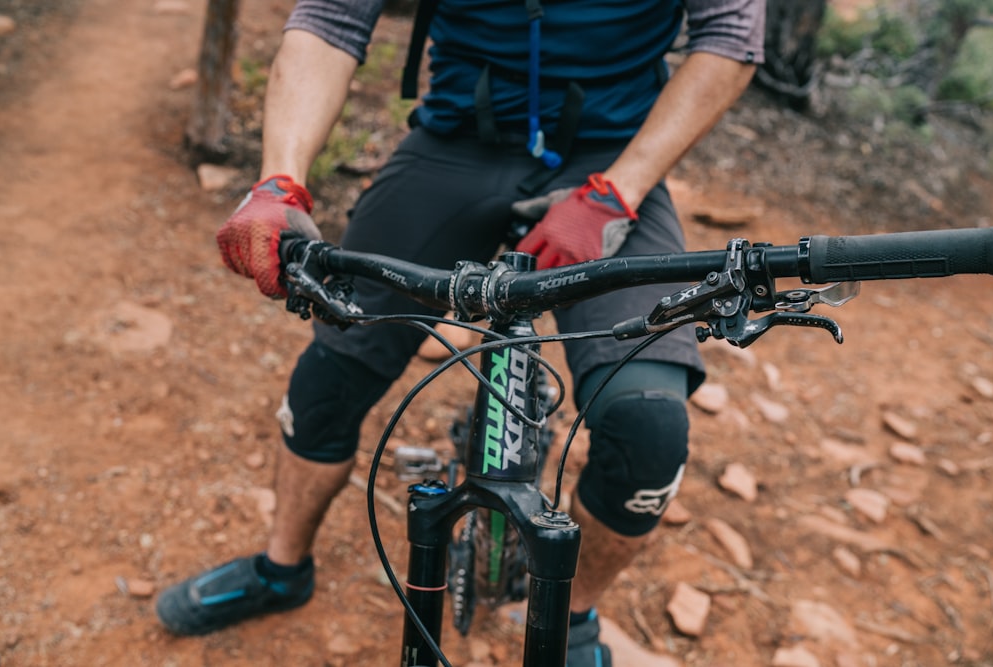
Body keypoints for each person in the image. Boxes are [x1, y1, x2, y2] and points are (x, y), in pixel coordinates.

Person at [156, 0, 765, 664]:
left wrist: (618, 192)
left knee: (649, 428)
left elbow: (732, 34)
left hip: (613, 156)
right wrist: (279, 179)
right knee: (331, 374)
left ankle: (574, 616)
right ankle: (281, 567)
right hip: (454, 145)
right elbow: (332, 19)